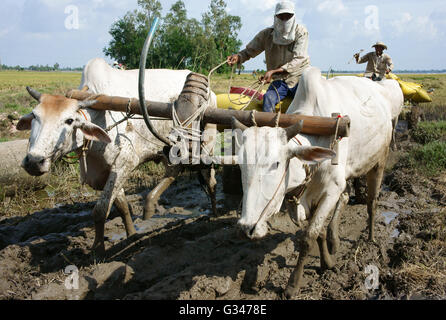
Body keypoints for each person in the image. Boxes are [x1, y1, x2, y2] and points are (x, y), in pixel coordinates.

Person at [227, 1, 310, 113]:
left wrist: (273, 71)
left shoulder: (301, 32)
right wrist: (238, 57)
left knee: (310, 99)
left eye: (288, 16)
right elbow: (249, 51)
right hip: (279, 81)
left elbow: (299, 59)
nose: (284, 20)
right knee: (268, 98)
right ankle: (269, 129)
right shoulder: (267, 35)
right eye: (281, 16)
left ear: (293, 17)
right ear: (275, 17)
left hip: (299, 79)